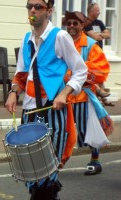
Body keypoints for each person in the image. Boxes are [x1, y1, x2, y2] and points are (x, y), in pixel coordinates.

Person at [5, 0, 87, 199]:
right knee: (31, 171)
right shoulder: (27, 38)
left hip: (53, 110)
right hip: (29, 110)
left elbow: (80, 71)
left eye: (38, 6)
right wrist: (13, 92)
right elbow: (21, 74)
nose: (32, 10)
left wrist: (64, 93)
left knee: (47, 170)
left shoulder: (60, 36)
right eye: (30, 6)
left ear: (49, 11)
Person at [63, 11, 113, 175]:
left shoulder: (91, 45)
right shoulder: (62, 43)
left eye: (75, 23)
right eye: (68, 23)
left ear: (82, 25)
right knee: (61, 129)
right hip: (63, 95)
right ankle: (58, 160)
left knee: (89, 129)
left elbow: (101, 69)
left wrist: (75, 72)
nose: (71, 26)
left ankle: (95, 161)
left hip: (83, 96)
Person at [84, 2, 112, 102]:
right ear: (91, 12)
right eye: (97, 10)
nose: (99, 12)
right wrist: (100, 35)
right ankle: (99, 97)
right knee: (92, 74)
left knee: (100, 73)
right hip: (89, 53)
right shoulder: (86, 23)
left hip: (99, 53)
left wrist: (99, 34)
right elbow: (95, 37)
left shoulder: (99, 22)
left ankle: (102, 97)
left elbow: (108, 35)